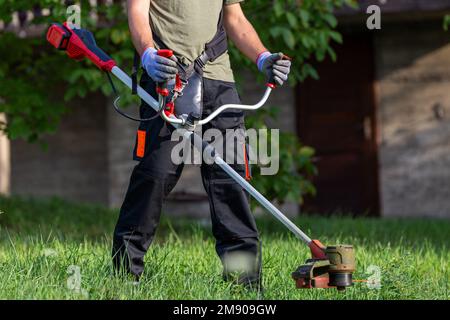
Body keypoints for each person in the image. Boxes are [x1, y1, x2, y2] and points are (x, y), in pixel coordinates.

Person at [112, 0, 291, 288]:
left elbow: (235, 19)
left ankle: (243, 282)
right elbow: (137, 14)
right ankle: (125, 276)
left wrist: (263, 58)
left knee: (231, 180)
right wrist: (148, 55)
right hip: (167, 79)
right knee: (155, 176)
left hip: (218, 81)